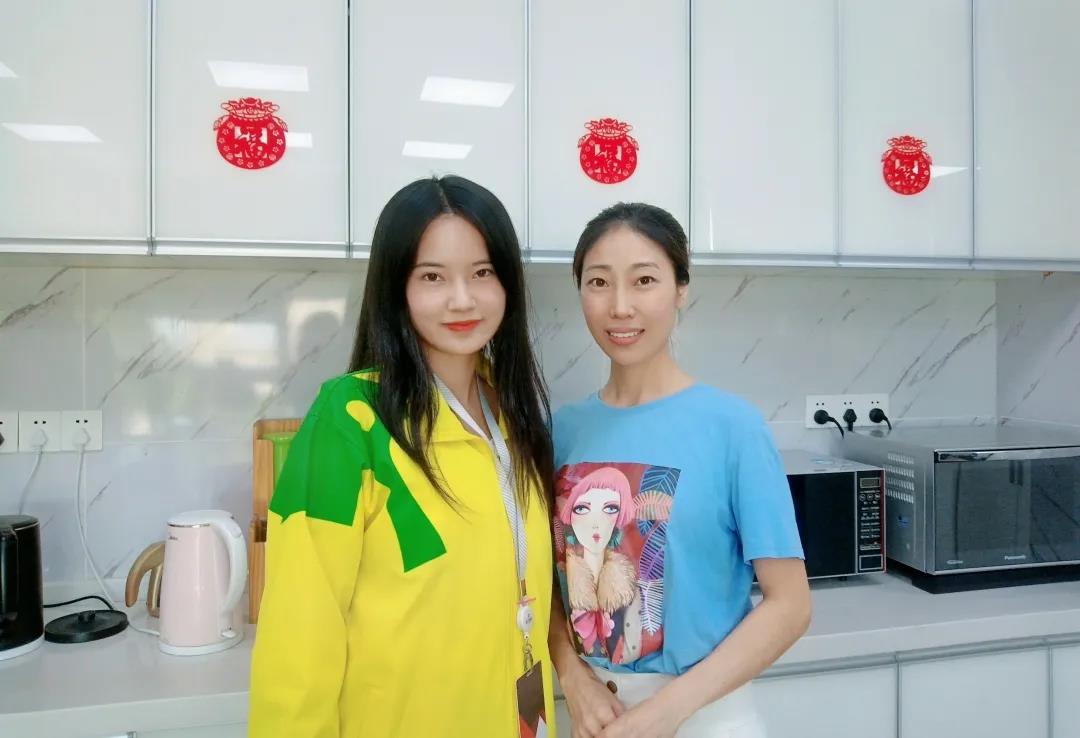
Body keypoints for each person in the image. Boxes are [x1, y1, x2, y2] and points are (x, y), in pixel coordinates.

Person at [249, 175, 557, 737]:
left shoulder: (513, 413)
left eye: (482, 273)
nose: (462, 299)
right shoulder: (350, 418)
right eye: (432, 276)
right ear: (397, 288)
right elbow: (299, 634)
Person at [549, 202, 811, 738]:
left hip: (705, 718)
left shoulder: (733, 427)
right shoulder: (561, 432)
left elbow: (790, 605)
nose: (621, 306)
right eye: (599, 282)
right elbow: (544, 586)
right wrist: (573, 679)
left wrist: (668, 710)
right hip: (591, 718)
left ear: (680, 289)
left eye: (644, 280)